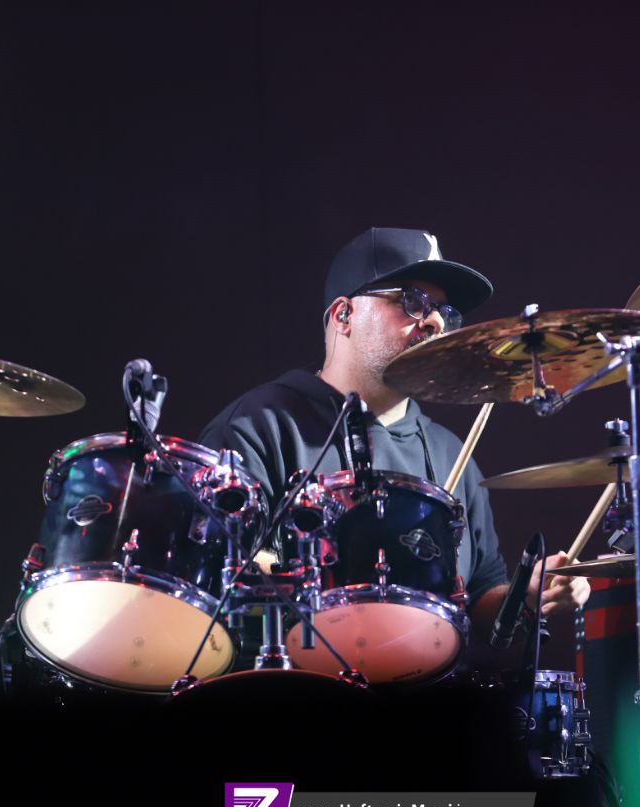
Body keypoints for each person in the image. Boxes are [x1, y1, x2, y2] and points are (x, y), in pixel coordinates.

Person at [198, 226, 589, 651]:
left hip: (427, 687)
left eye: (444, 311)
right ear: (344, 316)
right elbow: (217, 568)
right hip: (296, 684)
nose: (436, 321)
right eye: (412, 301)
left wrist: (525, 595)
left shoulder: (452, 453)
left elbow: (478, 599)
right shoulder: (255, 429)